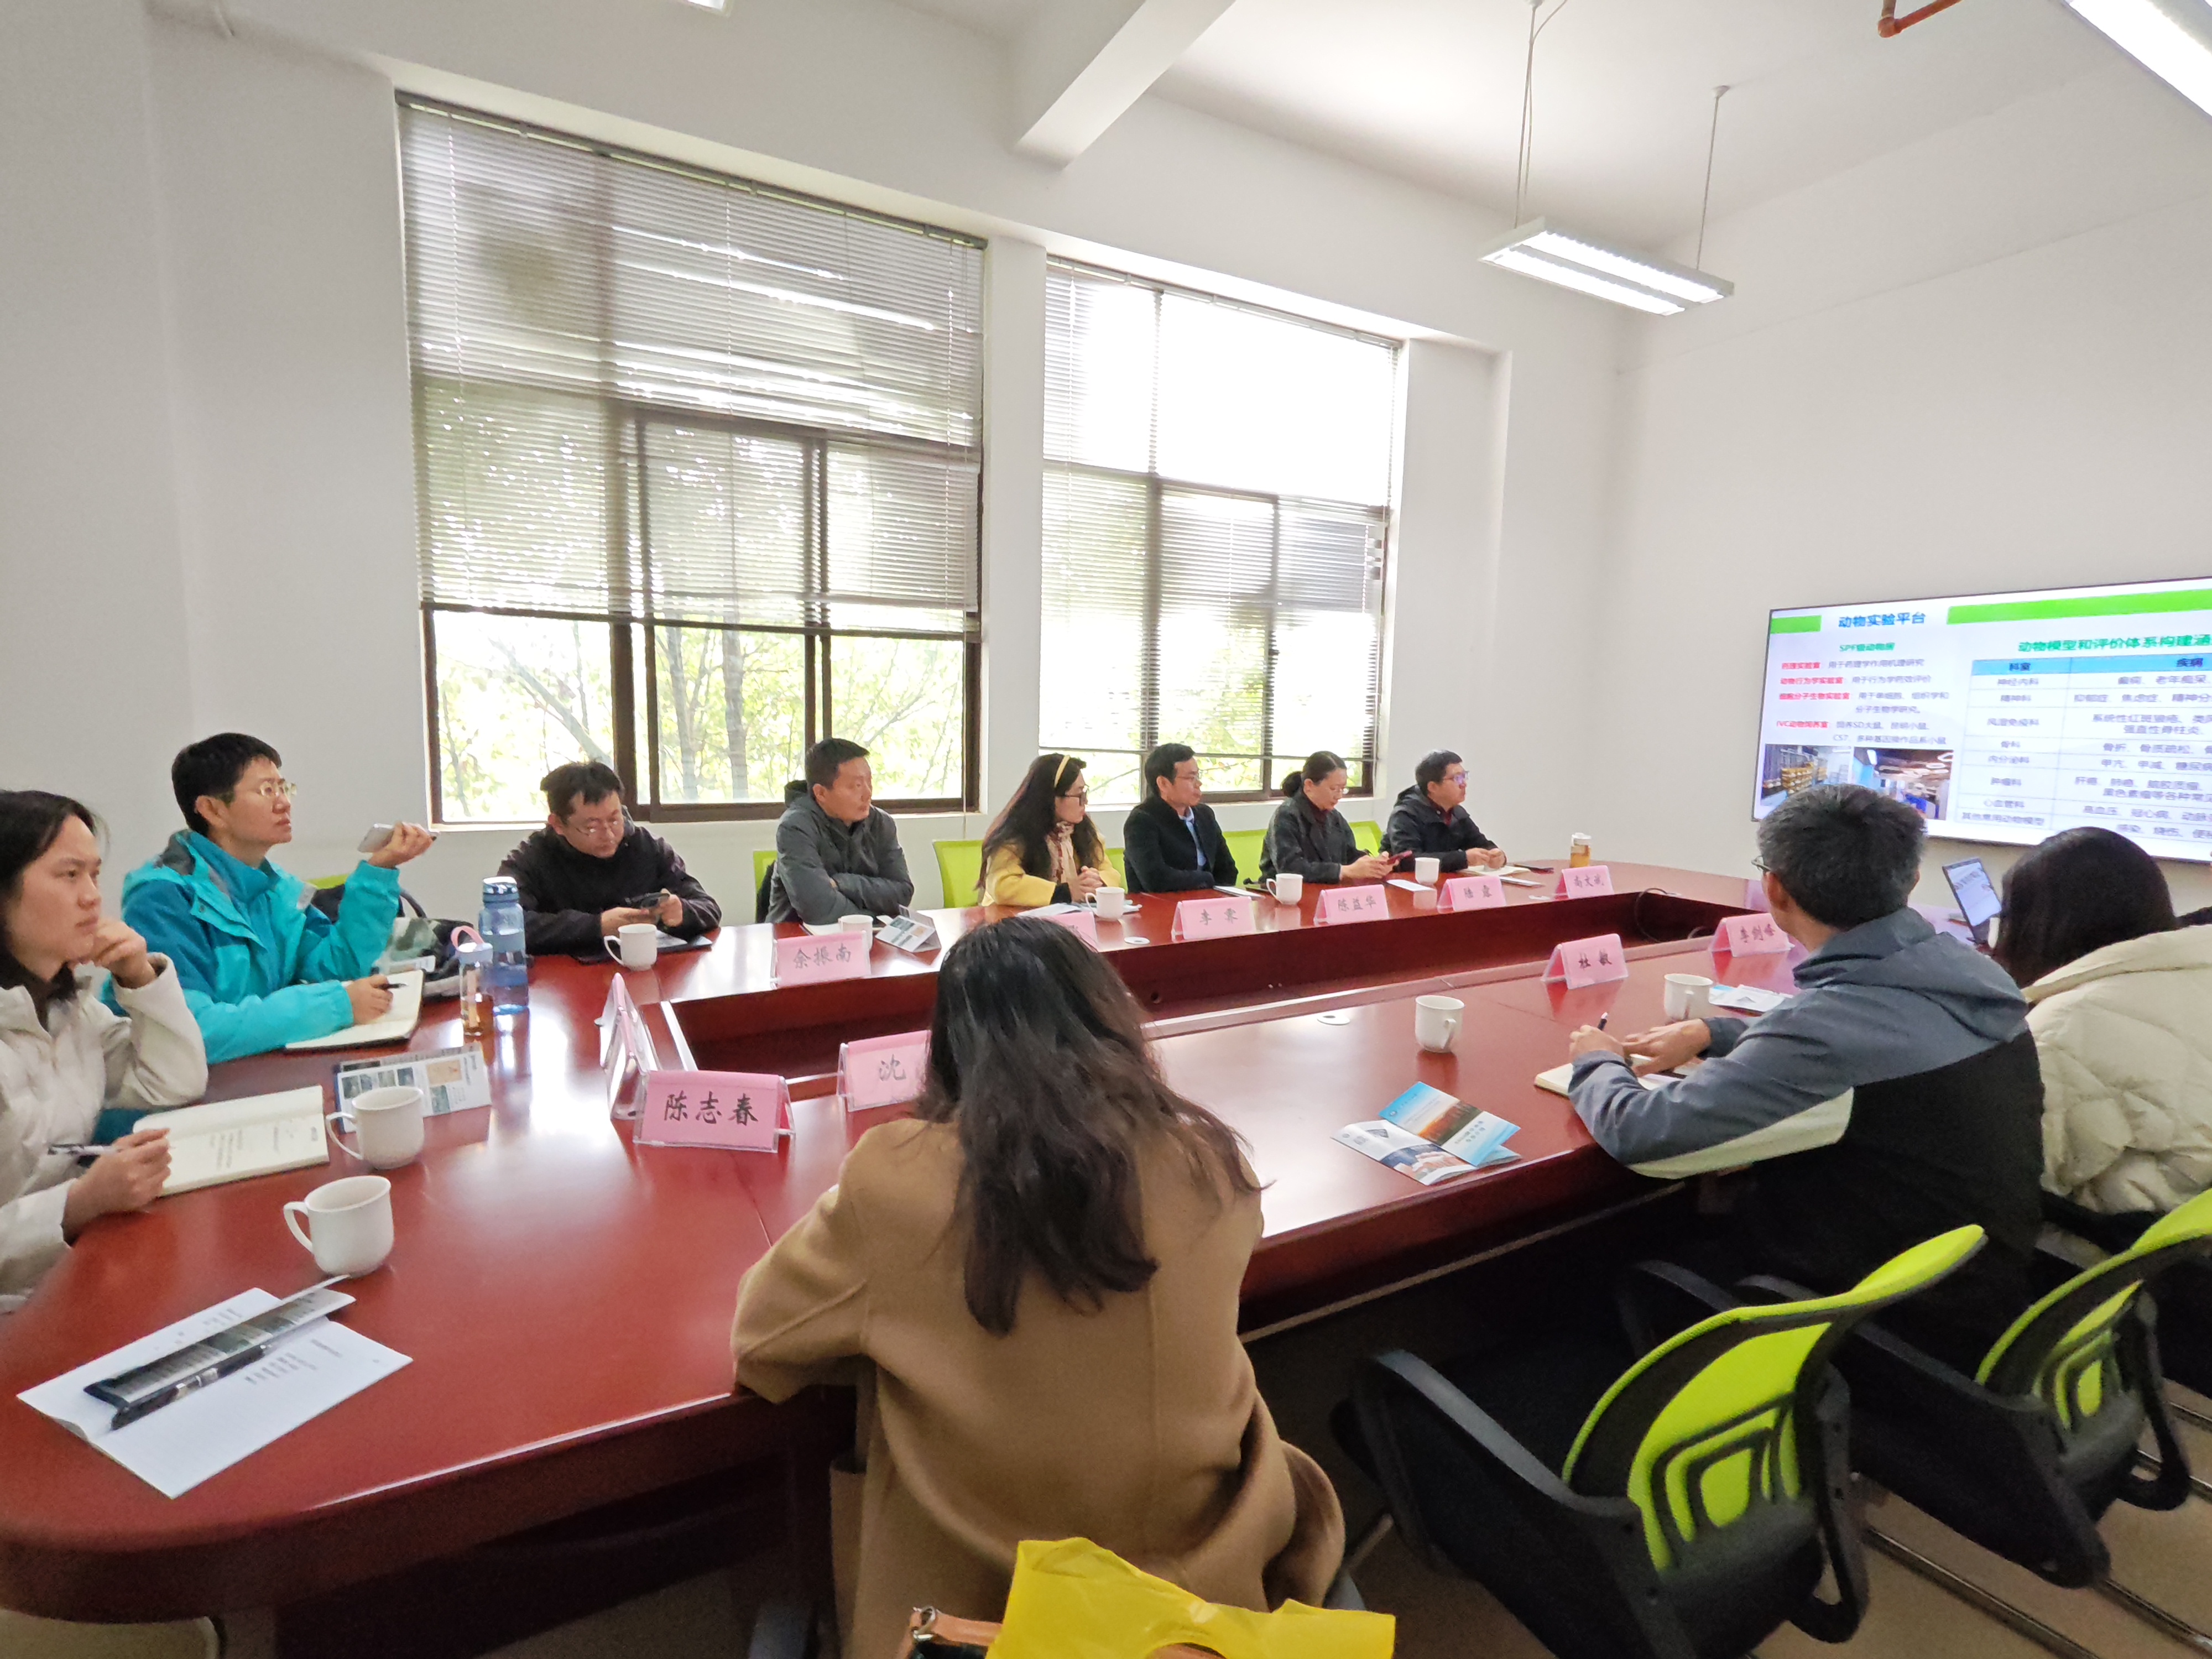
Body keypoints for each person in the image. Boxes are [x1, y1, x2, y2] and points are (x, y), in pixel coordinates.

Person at [732, 918, 1342, 1656]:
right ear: (1110, 1020)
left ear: (953, 1047)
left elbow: (762, 1343)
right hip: (1213, 1604)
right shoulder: (1209, 1164)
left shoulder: (895, 1182)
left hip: (989, 1622)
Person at [1565, 785, 2043, 1367]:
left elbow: (1642, 1135)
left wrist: (1597, 1060)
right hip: (1973, 1292)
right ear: (1912, 879)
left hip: (1867, 1329)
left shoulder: (1827, 1032)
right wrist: (1716, 1034)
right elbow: (1868, 1041)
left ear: (1774, 889)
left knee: (1599, 1272)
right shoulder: (1975, 976)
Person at [2, 792, 206, 1311]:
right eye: (70, 876)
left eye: (94, 875)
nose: (93, 897)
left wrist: (139, 976)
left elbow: (173, 1082)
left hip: (72, 1278)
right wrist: (78, 1203)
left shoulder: (67, 1008)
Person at [121, 735, 433, 1063]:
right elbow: (191, 1031)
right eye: (267, 790)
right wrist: (336, 1005)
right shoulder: (163, 897)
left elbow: (337, 966)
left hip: (255, 1068)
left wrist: (380, 871)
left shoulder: (276, 888)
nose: (284, 803)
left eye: (284, 788)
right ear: (212, 810)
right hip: (184, 1087)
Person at [1992, 827, 2212, 1215]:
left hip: (2117, 1235)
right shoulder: (2197, 967)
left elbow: (2018, 1172)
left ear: (2038, 926)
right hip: (2189, 1209)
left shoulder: (2065, 1027)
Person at [498, 761, 721, 956]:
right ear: (558, 824)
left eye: (615, 820)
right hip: (565, 981)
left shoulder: (647, 847)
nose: (608, 834)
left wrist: (682, 912)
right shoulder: (530, 859)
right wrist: (596, 927)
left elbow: (708, 907)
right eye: (592, 826)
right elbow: (505, 925)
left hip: (643, 972)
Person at [765, 738, 914, 924]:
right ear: (821, 793)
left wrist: (843, 883)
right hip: (798, 935)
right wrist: (873, 918)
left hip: (867, 935)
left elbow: (903, 892)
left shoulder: (881, 823)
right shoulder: (795, 827)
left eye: (869, 782)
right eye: (856, 786)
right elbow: (819, 909)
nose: (867, 793)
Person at [979, 754, 1112, 908]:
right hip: (1014, 918)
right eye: (1079, 794)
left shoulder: (1083, 828)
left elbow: (1109, 871)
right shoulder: (1015, 833)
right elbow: (1003, 885)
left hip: (1069, 916)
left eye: (1085, 793)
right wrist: (1065, 892)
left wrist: (1097, 882)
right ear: (1052, 798)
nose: (1085, 801)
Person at [1260, 752, 1392, 885]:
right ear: (1309, 785)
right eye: (1334, 788)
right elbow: (1291, 869)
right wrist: (1343, 871)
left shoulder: (1335, 817)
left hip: (1327, 891)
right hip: (1284, 892)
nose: (1339, 796)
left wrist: (1373, 865)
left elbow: (1350, 855)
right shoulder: (1286, 816)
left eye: (1343, 789)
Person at [1121, 744, 1237, 894]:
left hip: (1207, 902)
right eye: (1191, 778)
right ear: (1163, 784)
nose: (1198, 784)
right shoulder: (1141, 820)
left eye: (1198, 776)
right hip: (1160, 905)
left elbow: (1229, 870)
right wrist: (1207, 879)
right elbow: (1156, 880)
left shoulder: (1205, 815)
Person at [1385, 750, 1507, 873]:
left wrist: (1496, 854)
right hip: (1405, 882)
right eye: (1457, 778)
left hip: (1445, 880)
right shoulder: (1405, 815)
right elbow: (1408, 861)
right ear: (1433, 787)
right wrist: (1463, 859)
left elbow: (1480, 844)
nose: (1464, 784)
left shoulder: (1456, 813)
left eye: (1464, 776)